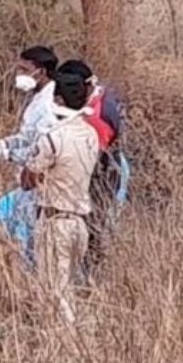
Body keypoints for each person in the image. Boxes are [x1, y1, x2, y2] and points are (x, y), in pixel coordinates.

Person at [21, 69, 99, 323]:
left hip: (55, 223)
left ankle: (66, 348)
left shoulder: (53, 139)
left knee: (55, 295)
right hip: (80, 223)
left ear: (59, 100)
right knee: (67, 288)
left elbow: (27, 180)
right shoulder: (91, 134)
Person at [57, 59, 131, 275]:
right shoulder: (103, 95)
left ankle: (92, 277)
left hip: (104, 171)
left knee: (95, 226)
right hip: (107, 162)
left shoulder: (98, 116)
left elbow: (90, 155)